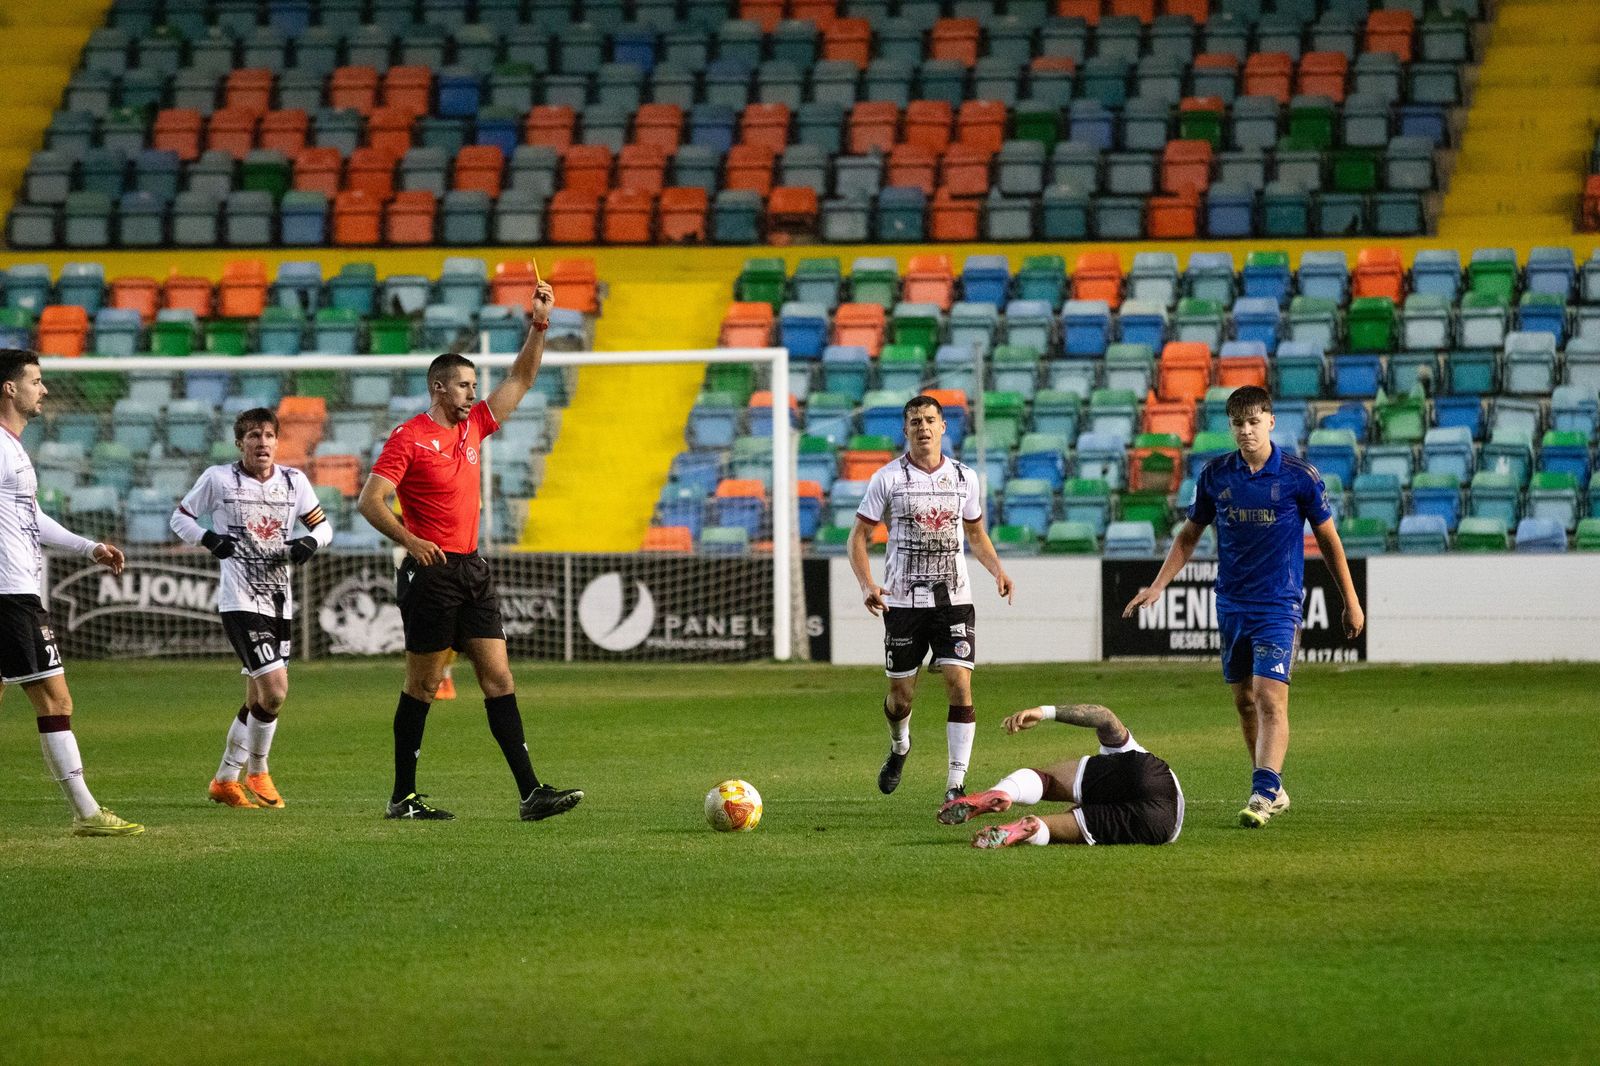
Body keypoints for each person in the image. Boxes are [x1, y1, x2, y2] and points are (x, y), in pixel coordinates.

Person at [357, 278, 582, 823]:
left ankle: (531, 794)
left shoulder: (474, 427)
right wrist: (411, 540)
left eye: (474, 385)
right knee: (424, 685)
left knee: (499, 679)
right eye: (463, 386)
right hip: (430, 573)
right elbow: (370, 501)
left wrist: (540, 323)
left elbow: (522, 377)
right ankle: (402, 797)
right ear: (438, 387)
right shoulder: (408, 437)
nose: (473, 395)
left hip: (472, 569)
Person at [1122, 385, 1364, 829]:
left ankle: (1263, 791)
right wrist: (1158, 585)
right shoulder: (1216, 476)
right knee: (1245, 704)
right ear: (1230, 427)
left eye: (1254, 422)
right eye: (1238, 423)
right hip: (1231, 604)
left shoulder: (1299, 477)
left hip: (1279, 605)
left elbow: (1328, 539)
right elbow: (1189, 535)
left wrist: (1350, 600)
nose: (1247, 431)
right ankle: (1273, 784)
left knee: (1271, 696)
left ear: (1271, 421)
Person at [848, 394, 1015, 809]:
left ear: (944, 427)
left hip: (954, 600)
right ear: (905, 430)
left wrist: (997, 570)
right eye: (915, 422)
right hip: (902, 602)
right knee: (901, 697)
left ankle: (956, 785)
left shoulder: (964, 478)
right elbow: (858, 537)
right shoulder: (887, 479)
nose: (923, 427)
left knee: (959, 684)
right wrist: (868, 583)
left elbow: (975, 534)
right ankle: (900, 745)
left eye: (930, 420)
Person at [0, 349, 141, 836]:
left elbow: (30, 518)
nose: (44, 390)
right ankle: (86, 813)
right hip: (8, 593)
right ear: (9, 389)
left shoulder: (13, 448)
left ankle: (86, 813)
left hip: (12, 589)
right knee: (56, 701)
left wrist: (89, 547)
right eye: (36, 381)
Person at [170, 408, 333, 810]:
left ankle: (226, 780)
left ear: (278, 441)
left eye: (267, 435)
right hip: (240, 600)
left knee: (258, 698)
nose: (261, 443)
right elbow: (180, 517)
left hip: (280, 601)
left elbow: (323, 527)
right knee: (275, 692)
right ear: (239, 443)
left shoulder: (295, 482)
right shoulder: (219, 479)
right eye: (252, 436)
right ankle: (258, 771)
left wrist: (310, 543)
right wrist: (210, 539)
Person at [937, 701, 1183, 848]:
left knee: (1047, 780)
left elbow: (1105, 717)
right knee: (1054, 828)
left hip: (1146, 773)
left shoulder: (1124, 754)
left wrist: (1044, 712)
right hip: (1160, 824)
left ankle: (1005, 792)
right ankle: (1029, 828)